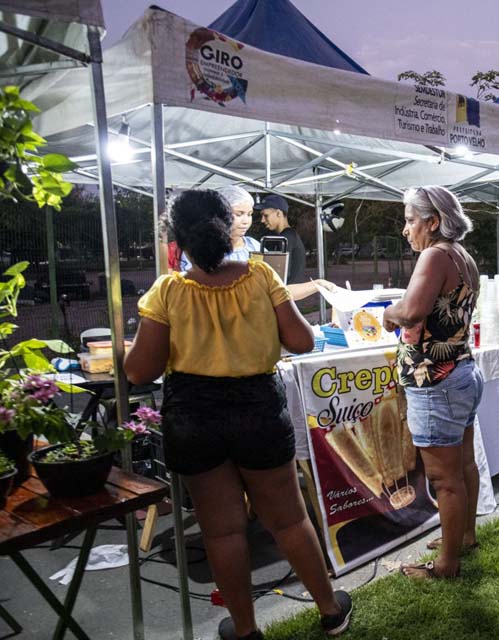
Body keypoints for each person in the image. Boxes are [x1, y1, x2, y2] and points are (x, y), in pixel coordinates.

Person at [124, 190, 352, 639]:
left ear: (177, 238)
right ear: (228, 227)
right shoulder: (260, 276)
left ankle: (245, 630)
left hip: (194, 416)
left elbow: (140, 371)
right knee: (287, 519)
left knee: (222, 533)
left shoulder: (167, 291)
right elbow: (302, 342)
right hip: (257, 410)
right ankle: (330, 611)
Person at [382, 186, 483, 580]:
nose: (406, 230)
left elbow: (412, 312)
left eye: (410, 220)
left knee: (444, 478)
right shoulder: (462, 256)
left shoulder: (435, 254)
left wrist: (389, 313)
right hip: (461, 371)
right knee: (464, 466)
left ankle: (446, 565)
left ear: (433, 221)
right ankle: (465, 537)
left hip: (436, 380)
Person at [180, 185, 260, 272]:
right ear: (219, 214)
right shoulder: (200, 249)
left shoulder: (255, 246)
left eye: (249, 214)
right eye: (239, 214)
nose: (246, 221)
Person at [255, 194, 307, 284]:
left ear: (278, 213)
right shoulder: (288, 236)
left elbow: (280, 275)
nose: (262, 220)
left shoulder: (286, 238)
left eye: (266, 215)